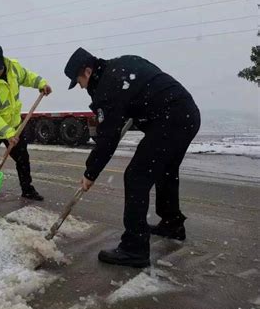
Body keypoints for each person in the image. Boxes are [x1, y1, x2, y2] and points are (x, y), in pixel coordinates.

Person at [64, 47, 201, 268]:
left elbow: (108, 138)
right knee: (164, 170)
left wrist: (90, 173)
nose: (80, 86)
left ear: (87, 72)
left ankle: (134, 248)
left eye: (78, 80)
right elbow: (148, 87)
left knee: (136, 176)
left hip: (170, 119)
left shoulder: (108, 86)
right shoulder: (122, 64)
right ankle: (172, 224)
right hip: (187, 113)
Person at [0, 44, 52, 213]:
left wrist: (41, 83)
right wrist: (7, 133)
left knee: (22, 158)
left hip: (14, 126)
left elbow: (27, 76)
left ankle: (27, 189)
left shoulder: (13, 67)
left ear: (2, 62)